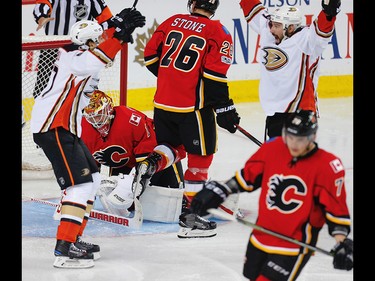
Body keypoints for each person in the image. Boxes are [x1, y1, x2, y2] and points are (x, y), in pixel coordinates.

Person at [30, 8, 146, 268]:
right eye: (95, 42)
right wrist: (119, 36)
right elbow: (95, 57)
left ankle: (75, 238)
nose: (98, 45)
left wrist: (117, 29)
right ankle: (65, 245)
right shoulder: (72, 57)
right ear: (87, 44)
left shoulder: (78, 51)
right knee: (78, 186)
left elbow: (97, 46)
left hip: (65, 128)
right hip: (53, 128)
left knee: (92, 180)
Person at [189, 109, 353, 280]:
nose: (294, 144)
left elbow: (336, 209)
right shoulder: (273, 148)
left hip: (294, 244)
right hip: (261, 236)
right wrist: (220, 191)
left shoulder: (327, 166)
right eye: (290, 137)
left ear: (313, 137)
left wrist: (341, 241)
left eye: (300, 139)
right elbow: (247, 177)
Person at [131, 0, 241, 238]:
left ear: (192, 3)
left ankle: (150, 164)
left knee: (172, 148)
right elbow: (214, 76)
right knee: (201, 159)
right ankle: (193, 215)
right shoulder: (218, 32)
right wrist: (224, 109)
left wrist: (172, 79)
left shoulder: (171, 21)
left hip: (162, 104)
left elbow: (150, 56)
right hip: (193, 109)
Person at [238, 0, 341, 141]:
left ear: (290, 28)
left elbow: (322, 30)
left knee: (299, 158)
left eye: (277, 26)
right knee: (277, 158)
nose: (272, 29)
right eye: (272, 24)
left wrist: (329, 13)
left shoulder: (307, 40)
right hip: (275, 112)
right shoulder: (269, 31)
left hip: (300, 111)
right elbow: (251, 6)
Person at [81, 90, 185, 220]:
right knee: (125, 203)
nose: (95, 121)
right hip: (122, 165)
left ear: (108, 109)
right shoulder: (82, 128)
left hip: (155, 161)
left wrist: (135, 180)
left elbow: (150, 156)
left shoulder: (130, 120)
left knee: (176, 203)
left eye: (98, 115)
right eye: (91, 117)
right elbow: (88, 165)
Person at [32, 0, 114, 99]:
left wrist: (106, 39)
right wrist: (41, 17)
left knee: (83, 91)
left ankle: (79, 113)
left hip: (80, 51)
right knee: (43, 90)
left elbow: (107, 19)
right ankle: (42, 113)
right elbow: (42, 4)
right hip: (52, 50)